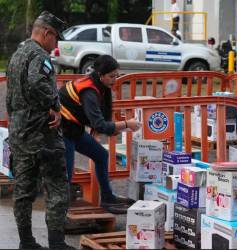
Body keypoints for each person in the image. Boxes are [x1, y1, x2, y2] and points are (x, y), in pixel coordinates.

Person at [6, 11, 76, 250]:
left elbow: (12, 96)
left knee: (24, 191)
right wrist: (54, 106)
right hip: (43, 134)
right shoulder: (39, 55)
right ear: (47, 33)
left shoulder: (16, 55)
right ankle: (56, 243)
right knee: (57, 186)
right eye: (55, 38)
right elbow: (37, 82)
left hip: (20, 134)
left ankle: (27, 242)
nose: (56, 44)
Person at [59, 55, 141, 214]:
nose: (114, 80)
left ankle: (107, 197)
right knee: (66, 173)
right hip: (61, 131)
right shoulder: (89, 90)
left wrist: (112, 127)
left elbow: (102, 117)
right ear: (100, 75)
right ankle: (61, 213)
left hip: (73, 128)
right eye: (111, 76)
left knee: (101, 155)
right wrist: (126, 124)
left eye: (117, 75)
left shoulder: (102, 86)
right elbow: (99, 124)